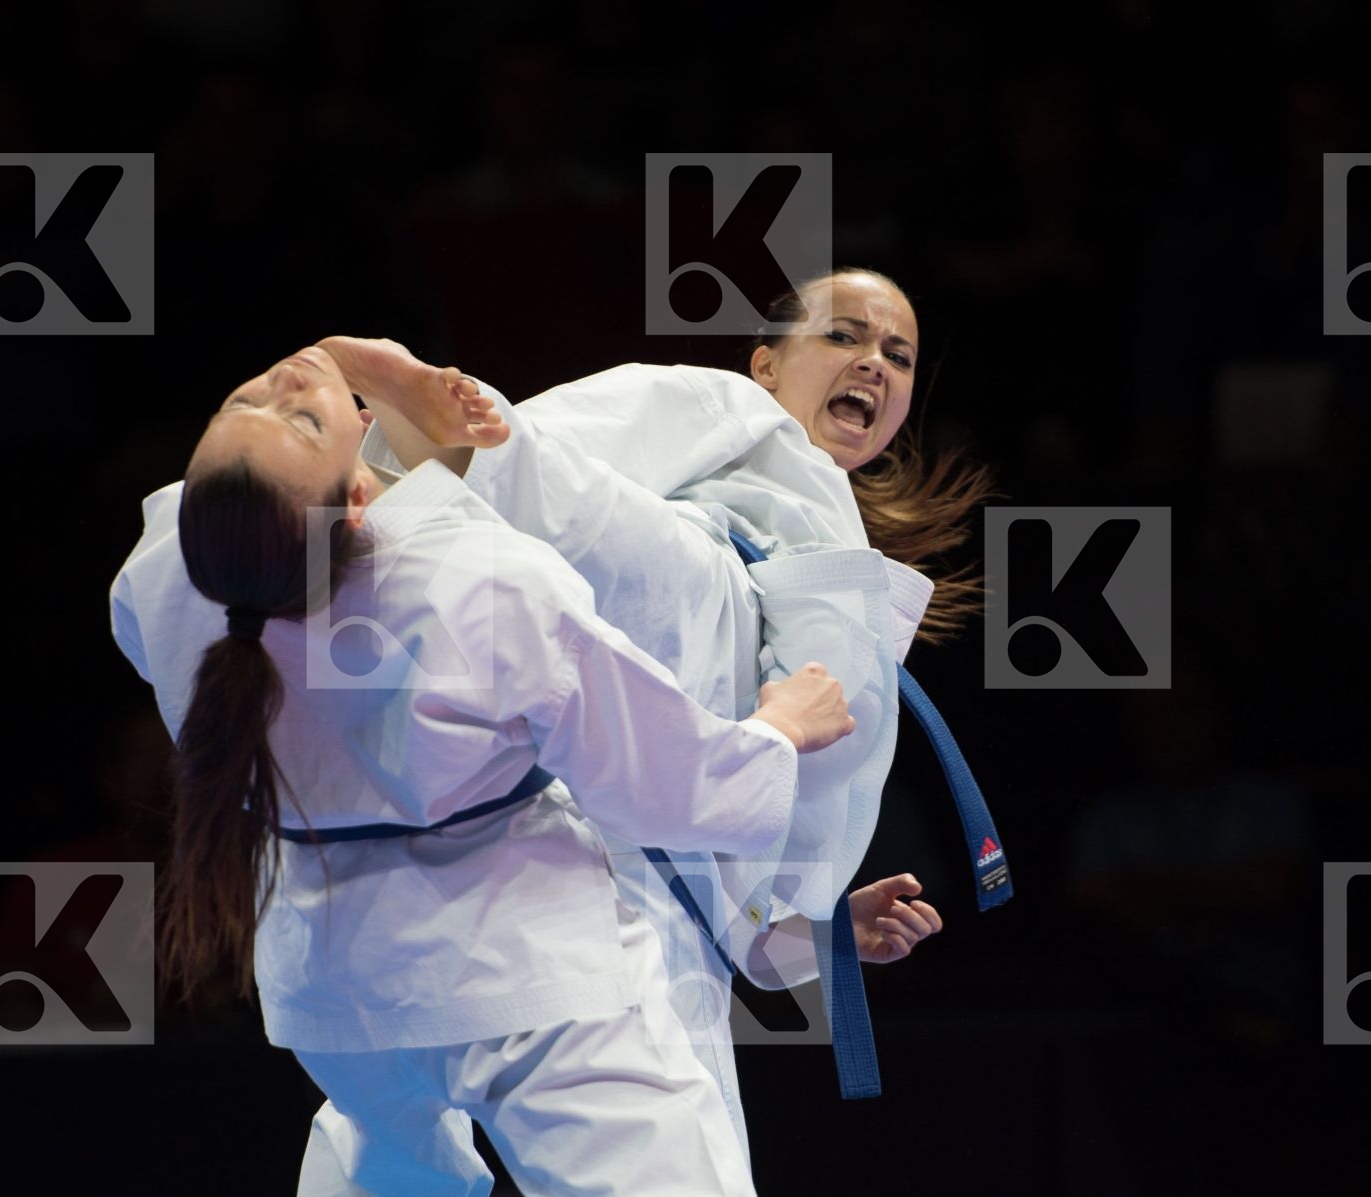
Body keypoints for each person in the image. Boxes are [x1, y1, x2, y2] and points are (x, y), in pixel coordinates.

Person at [109, 343, 859, 1196]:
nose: (284, 377)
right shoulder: (480, 584)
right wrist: (776, 728)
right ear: (356, 501)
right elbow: (661, 777)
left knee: (385, 1166)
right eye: (297, 412)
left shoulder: (172, 572)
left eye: (250, 391)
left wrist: (364, 404)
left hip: (338, 999)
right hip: (521, 980)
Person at [323, 266, 995, 1161]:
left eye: (897, 355)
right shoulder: (726, 407)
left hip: (611, 871)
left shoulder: (850, 565)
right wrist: (459, 442)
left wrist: (819, 930)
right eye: (844, 336)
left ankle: (425, 471)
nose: (873, 362)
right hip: (599, 665)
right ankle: (435, 449)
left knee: (395, 1153)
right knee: (644, 560)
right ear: (765, 364)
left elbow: (745, 899)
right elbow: (582, 445)